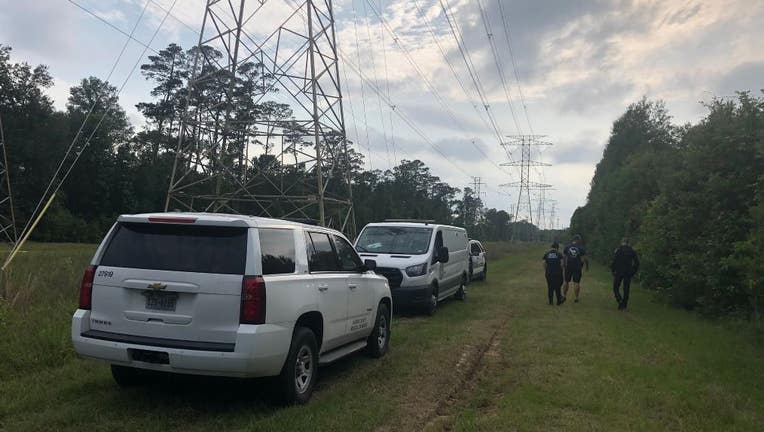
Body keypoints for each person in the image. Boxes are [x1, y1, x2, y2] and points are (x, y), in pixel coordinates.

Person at [611, 238, 639, 310]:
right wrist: (633, 271)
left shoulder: (619, 250)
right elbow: (637, 263)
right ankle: (625, 304)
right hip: (628, 272)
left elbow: (614, 260)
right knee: (626, 289)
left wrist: (613, 270)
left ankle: (620, 300)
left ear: (622, 242)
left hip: (619, 271)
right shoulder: (632, 251)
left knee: (616, 287)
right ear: (628, 243)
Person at [562, 234, 588, 303]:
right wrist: (583, 266)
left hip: (568, 267)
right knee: (576, 282)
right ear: (578, 240)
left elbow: (564, 257)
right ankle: (576, 298)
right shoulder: (581, 248)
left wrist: (564, 265)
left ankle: (564, 296)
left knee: (566, 281)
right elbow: (583, 259)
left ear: (573, 239)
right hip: (577, 267)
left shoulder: (567, 246)